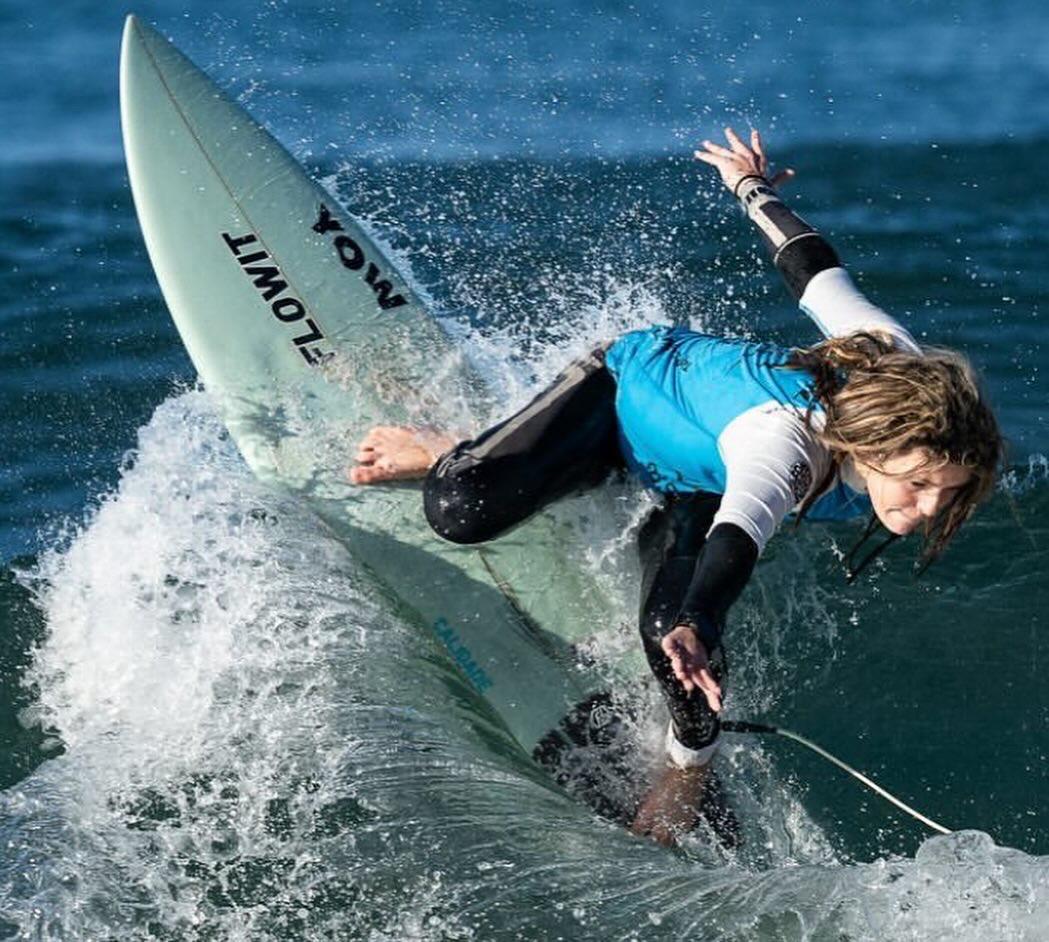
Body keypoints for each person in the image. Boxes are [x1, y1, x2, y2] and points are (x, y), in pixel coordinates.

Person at [349, 128, 1002, 847]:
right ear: (869, 446)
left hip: (692, 483)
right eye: (917, 485)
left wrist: (754, 190)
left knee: (667, 641)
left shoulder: (901, 369)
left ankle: (683, 769)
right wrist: (700, 615)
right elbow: (739, 535)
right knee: (459, 510)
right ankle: (450, 445)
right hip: (622, 397)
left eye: (949, 492)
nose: (932, 507)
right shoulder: (781, 443)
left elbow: (814, 269)